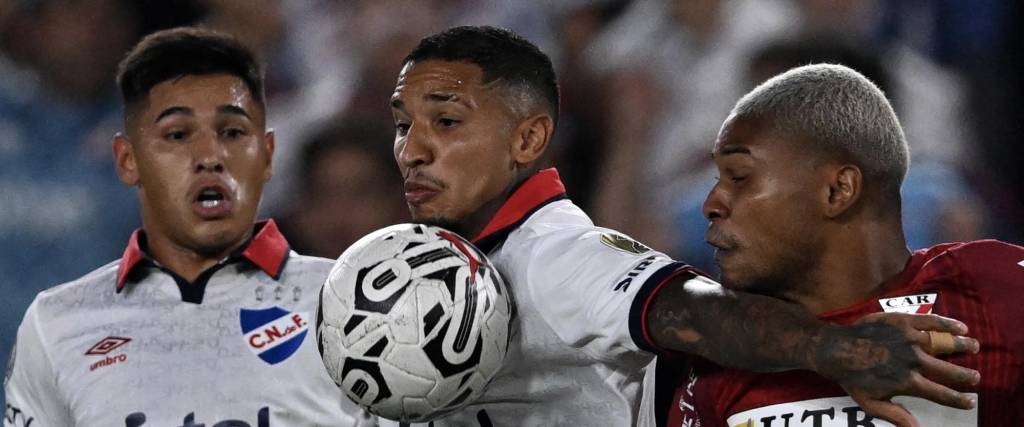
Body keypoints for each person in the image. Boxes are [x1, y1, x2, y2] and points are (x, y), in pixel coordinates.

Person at [384, 26, 979, 427]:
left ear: (529, 138)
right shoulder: (405, 266)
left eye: (446, 121)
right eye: (403, 125)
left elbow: (694, 311)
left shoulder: (559, 255)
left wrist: (835, 347)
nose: (413, 149)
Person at [3, 27, 373, 426]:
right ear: (128, 160)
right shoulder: (55, 324)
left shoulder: (355, 310)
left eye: (232, 133)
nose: (210, 157)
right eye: (177, 135)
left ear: (267, 156)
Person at [655, 64, 1023, 426]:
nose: (711, 204)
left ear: (838, 190)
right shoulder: (725, 352)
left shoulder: (994, 287)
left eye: (739, 177)